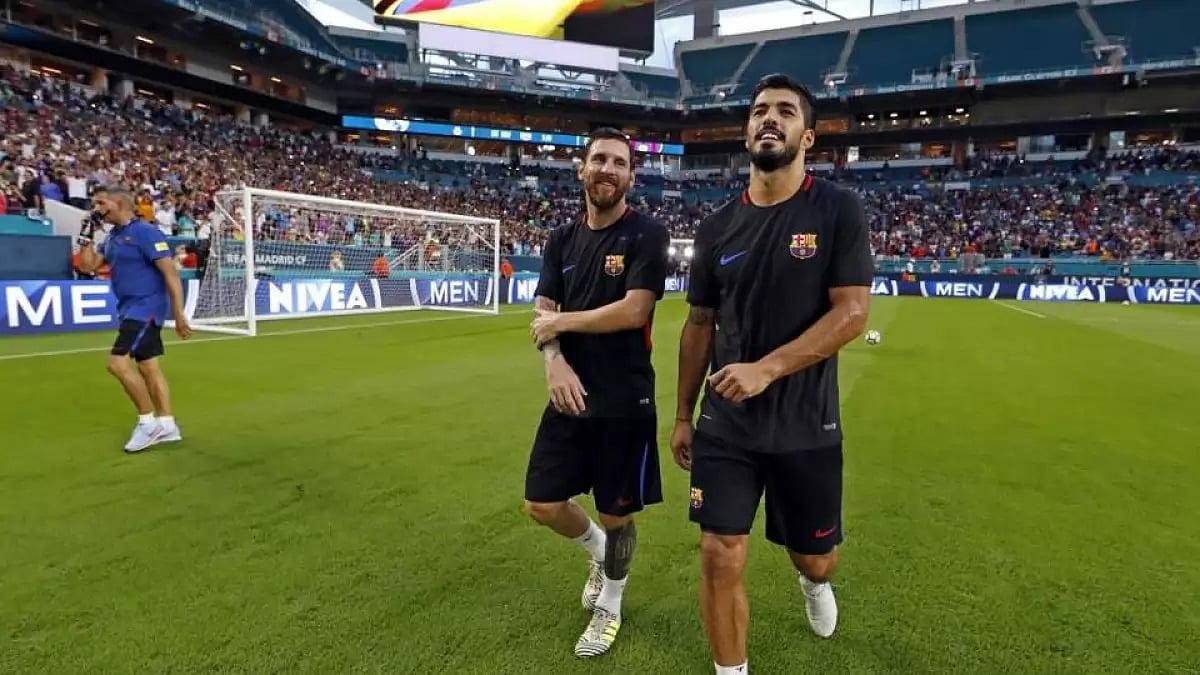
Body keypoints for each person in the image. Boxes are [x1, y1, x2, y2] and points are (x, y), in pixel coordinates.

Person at [670, 73, 874, 675]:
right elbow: (699, 324)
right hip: (726, 424)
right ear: (746, 131)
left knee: (817, 559)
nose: (770, 119)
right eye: (760, 110)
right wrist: (683, 414)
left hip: (806, 422)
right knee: (719, 550)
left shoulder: (837, 208)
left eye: (785, 111)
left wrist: (768, 368)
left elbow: (853, 312)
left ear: (806, 137)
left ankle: (812, 583)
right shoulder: (714, 229)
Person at [523, 127, 670, 658]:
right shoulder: (560, 239)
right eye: (598, 160)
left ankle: (611, 601)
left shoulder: (647, 235)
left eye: (618, 162)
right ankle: (597, 551)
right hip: (567, 393)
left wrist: (562, 323)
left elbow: (634, 311)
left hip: (624, 401)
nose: (607, 169)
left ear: (631, 176)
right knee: (541, 503)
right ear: (582, 170)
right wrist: (554, 362)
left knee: (618, 512)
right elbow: (542, 315)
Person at [77, 186, 193, 453]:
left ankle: (148, 423)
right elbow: (87, 266)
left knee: (117, 365)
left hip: (147, 307)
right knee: (149, 367)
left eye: (101, 203)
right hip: (129, 309)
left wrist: (177, 312)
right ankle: (168, 425)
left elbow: (170, 274)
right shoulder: (112, 237)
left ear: (118, 203)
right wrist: (85, 235)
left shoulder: (145, 232)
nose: (96, 208)